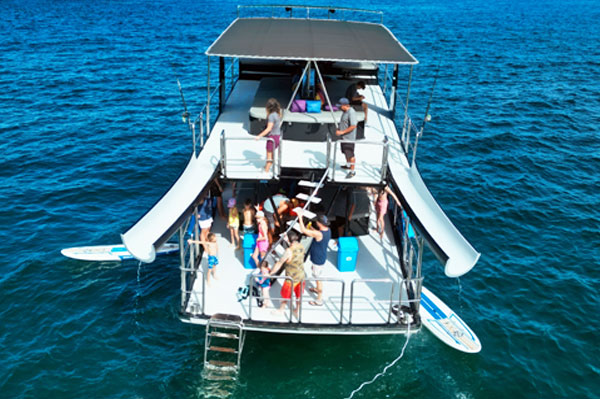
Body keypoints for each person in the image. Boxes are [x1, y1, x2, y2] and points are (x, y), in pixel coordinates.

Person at [296, 210, 331, 306]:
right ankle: (316, 289)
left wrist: (300, 217)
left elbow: (303, 230)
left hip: (318, 259)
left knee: (318, 278)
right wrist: (310, 227)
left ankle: (319, 300)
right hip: (320, 257)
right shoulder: (327, 230)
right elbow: (316, 232)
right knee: (316, 274)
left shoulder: (319, 234)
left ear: (319, 223)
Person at [269, 231, 305, 318]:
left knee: (285, 295)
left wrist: (271, 273)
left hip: (291, 279)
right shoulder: (301, 246)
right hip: (301, 276)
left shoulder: (288, 251)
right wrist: (287, 240)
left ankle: (281, 310)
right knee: (298, 295)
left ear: (288, 239)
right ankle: (297, 310)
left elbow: (279, 263)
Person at [254, 98, 283, 173]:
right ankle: (268, 166)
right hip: (277, 136)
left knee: (269, 156)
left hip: (272, 138)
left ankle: (266, 171)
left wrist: (259, 136)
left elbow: (269, 128)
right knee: (271, 152)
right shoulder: (277, 114)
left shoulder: (271, 116)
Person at [335, 97, 358, 179]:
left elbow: (353, 126)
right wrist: (339, 129)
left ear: (345, 105)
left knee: (350, 154)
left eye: (340, 106)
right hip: (344, 138)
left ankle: (352, 171)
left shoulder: (351, 112)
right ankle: (348, 165)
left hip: (349, 138)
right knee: (345, 152)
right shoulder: (344, 112)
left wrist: (342, 132)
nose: (339, 107)